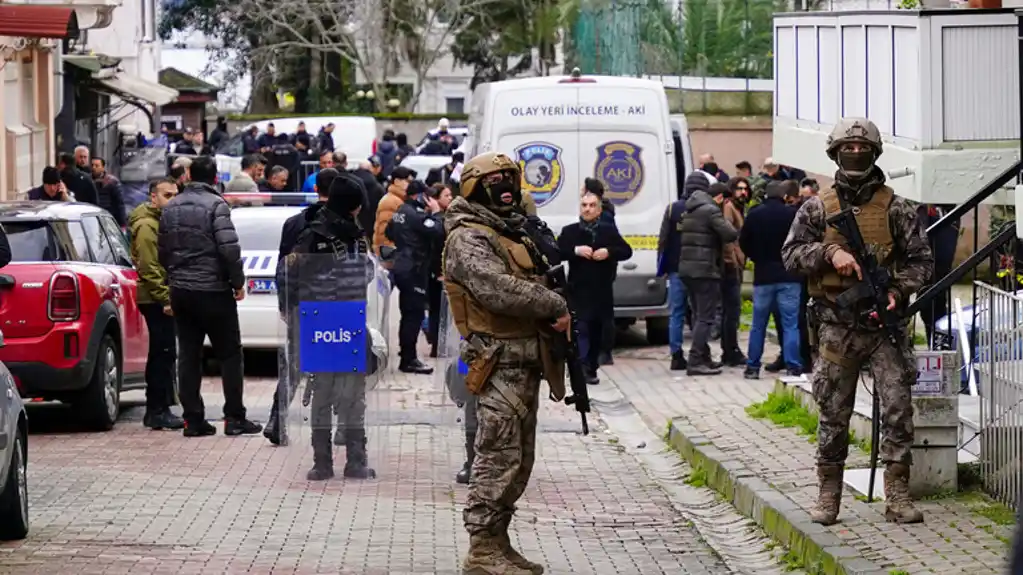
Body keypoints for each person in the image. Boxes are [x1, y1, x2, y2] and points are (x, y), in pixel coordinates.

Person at [781, 117, 932, 526]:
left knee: (898, 407)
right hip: (836, 323)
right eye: (846, 148)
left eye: (861, 149)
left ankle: (897, 491)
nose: (854, 154)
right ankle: (828, 492)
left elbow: (922, 261)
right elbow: (791, 254)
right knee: (833, 410)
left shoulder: (897, 207)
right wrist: (830, 255)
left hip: (884, 326)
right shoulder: (817, 207)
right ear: (834, 153)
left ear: (874, 154)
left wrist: (896, 291)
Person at [442, 151, 569, 574]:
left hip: (523, 362)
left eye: (509, 177)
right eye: (495, 180)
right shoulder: (468, 236)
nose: (506, 187)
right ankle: (481, 550)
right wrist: (552, 303)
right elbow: (497, 289)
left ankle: (498, 542)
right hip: (497, 364)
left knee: (518, 462)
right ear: (475, 187)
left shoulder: (510, 229)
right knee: (496, 458)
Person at [157, 156, 261, 437]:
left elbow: (162, 251)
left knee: (189, 356)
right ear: (215, 178)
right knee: (229, 354)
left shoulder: (171, 207)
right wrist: (237, 282)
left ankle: (192, 420)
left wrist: (174, 278)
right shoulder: (217, 205)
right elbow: (229, 249)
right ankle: (234, 418)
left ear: (188, 175)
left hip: (181, 290)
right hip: (213, 291)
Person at [264, 168, 339, 446]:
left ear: (316, 187)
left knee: (292, 365)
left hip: (300, 304)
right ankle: (340, 427)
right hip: (334, 305)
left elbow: (282, 266)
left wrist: (284, 303)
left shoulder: (294, 222)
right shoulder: (343, 224)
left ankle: (277, 418)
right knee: (338, 366)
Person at [558, 190, 633, 384]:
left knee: (596, 331)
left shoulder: (607, 231)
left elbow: (626, 251)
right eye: (584, 205)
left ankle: (591, 367)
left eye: (592, 206)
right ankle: (582, 368)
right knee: (581, 328)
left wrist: (608, 252)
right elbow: (556, 253)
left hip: (601, 290)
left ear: (599, 210)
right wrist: (575, 251)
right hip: (579, 289)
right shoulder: (571, 231)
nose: (588, 209)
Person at [130, 178, 184, 431]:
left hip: (161, 294)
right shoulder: (147, 225)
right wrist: (164, 298)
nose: (173, 200)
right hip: (154, 298)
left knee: (165, 352)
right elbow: (149, 267)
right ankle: (156, 410)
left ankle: (161, 407)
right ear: (153, 197)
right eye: (167, 195)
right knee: (162, 353)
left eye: (175, 194)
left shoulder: (162, 221)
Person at [740, 180, 802, 379]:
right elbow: (802, 241)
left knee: (758, 324)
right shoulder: (792, 214)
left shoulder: (755, 214)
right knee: (790, 324)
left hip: (763, 275)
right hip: (788, 275)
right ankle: (793, 366)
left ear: (766, 195)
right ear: (784, 196)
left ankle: (752, 367)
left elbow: (744, 241)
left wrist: (757, 257)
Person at [678, 182, 738, 375]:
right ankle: (695, 361)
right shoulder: (711, 211)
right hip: (705, 270)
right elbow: (730, 233)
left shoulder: (691, 208)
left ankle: (704, 358)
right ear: (720, 197)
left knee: (697, 316)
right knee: (705, 318)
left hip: (688, 270)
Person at [385, 179, 444, 374]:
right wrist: (436, 213)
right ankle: (409, 360)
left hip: (402, 265)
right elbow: (436, 230)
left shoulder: (400, 212)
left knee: (407, 314)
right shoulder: (415, 215)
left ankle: (407, 356)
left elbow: (389, 232)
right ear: (419, 196)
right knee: (414, 315)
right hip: (414, 269)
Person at [657, 183, 689, 371]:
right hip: (698, 271)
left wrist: (661, 267)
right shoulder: (704, 209)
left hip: (676, 269)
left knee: (676, 313)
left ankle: (676, 354)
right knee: (700, 314)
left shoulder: (672, 209)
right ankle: (700, 352)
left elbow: (663, 239)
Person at [719, 182, 746, 366]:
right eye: (739, 189)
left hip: (736, 264)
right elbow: (728, 239)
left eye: (745, 189)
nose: (743, 192)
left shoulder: (738, 208)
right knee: (731, 311)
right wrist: (734, 262)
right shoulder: (729, 208)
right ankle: (730, 350)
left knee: (731, 311)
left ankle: (730, 349)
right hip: (731, 266)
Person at [426, 183, 454, 357]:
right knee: (437, 310)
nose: (450, 198)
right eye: (446, 196)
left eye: (450, 195)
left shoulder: (446, 217)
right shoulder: (435, 220)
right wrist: (439, 272)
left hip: (443, 271)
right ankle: (437, 345)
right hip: (436, 272)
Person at [372, 166, 415, 260]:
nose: (411, 185)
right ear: (397, 181)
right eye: (408, 181)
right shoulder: (391, 202)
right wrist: (391, 256)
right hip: (389, 256)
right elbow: (383, 233)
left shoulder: (400, 199)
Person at [91, 157, 126, 227]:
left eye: (97, 165)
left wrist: (122, 223)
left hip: (107, 219)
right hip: (91, 219)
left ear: (103, 167)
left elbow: (119, 203)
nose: (93, 168)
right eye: (92, 165)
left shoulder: (112, 182)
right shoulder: (87, 180)